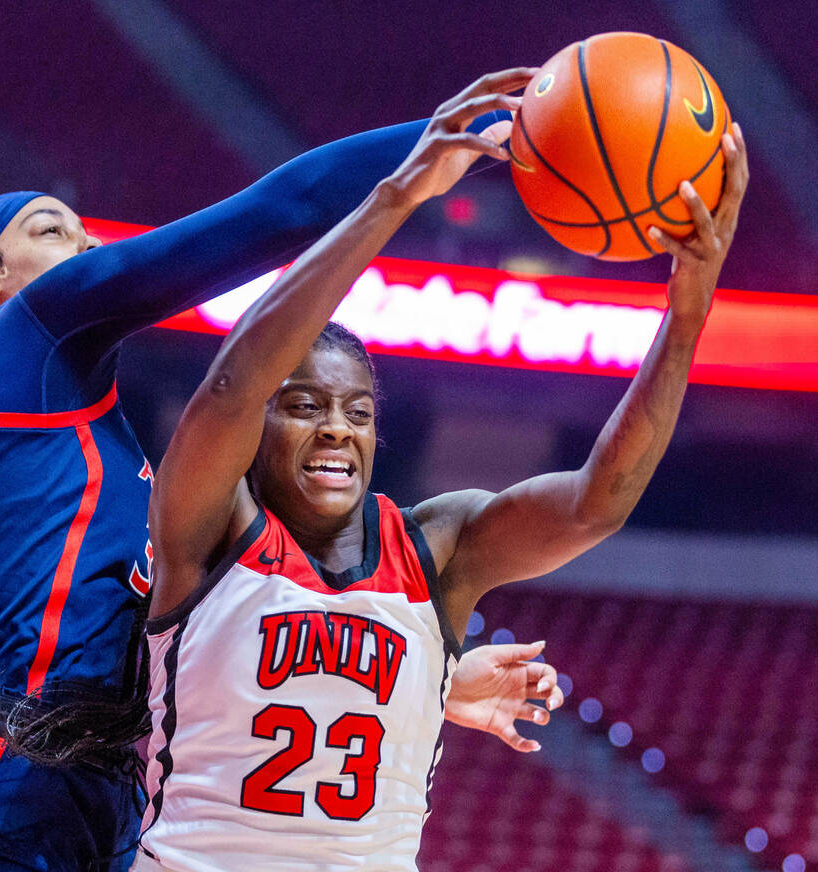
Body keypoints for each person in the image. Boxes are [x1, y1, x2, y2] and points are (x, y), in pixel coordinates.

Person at [0, 70, 563, 872]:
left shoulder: (91, 445)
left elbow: (203, 638)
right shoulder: (20, 342)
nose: (86, 248)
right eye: (53, 231)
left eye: (85, 236)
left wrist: (429, 677)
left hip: (97, 796)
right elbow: (275, 214)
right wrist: (456, 139)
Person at [141, 69, 749, 871]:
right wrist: (395, 198)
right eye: (304, 405)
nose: (336, 429)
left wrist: (687, 314)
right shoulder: (210, 531)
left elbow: (597, 504)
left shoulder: (438, 545)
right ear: (258, 424)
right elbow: (229, 386)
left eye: (357, 412)